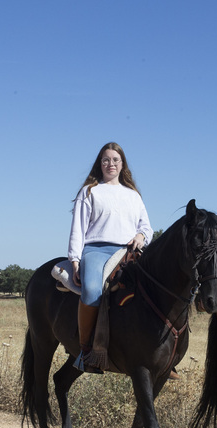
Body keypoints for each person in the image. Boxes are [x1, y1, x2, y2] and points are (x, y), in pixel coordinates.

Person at [67, 142, 152, 373]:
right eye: (106, 160)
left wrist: (141, 236)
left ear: (122, 164)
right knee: (93, 291)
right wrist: (75, 260)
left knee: (154, 290)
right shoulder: (90, 191)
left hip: (128, 251)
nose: (110, 164)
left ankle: (160, 356)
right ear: (100, 163)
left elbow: (146, 227)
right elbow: (78, 228)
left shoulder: (133, 195)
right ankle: (85, 351)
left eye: (115, 160)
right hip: (96, 249)